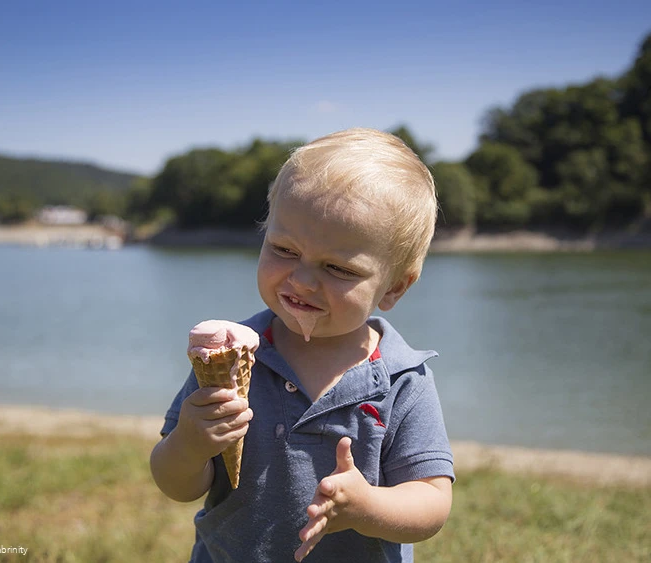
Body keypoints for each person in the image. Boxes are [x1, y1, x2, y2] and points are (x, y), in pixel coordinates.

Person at [150, 128, 454, 562]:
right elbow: (176, 484)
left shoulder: (403, 379)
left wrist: (367, 507)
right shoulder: (233, 355)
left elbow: (432, 502)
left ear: (394, 288)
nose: (302, 280)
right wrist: (188, 445)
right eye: (283, 249)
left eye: (337, 268)